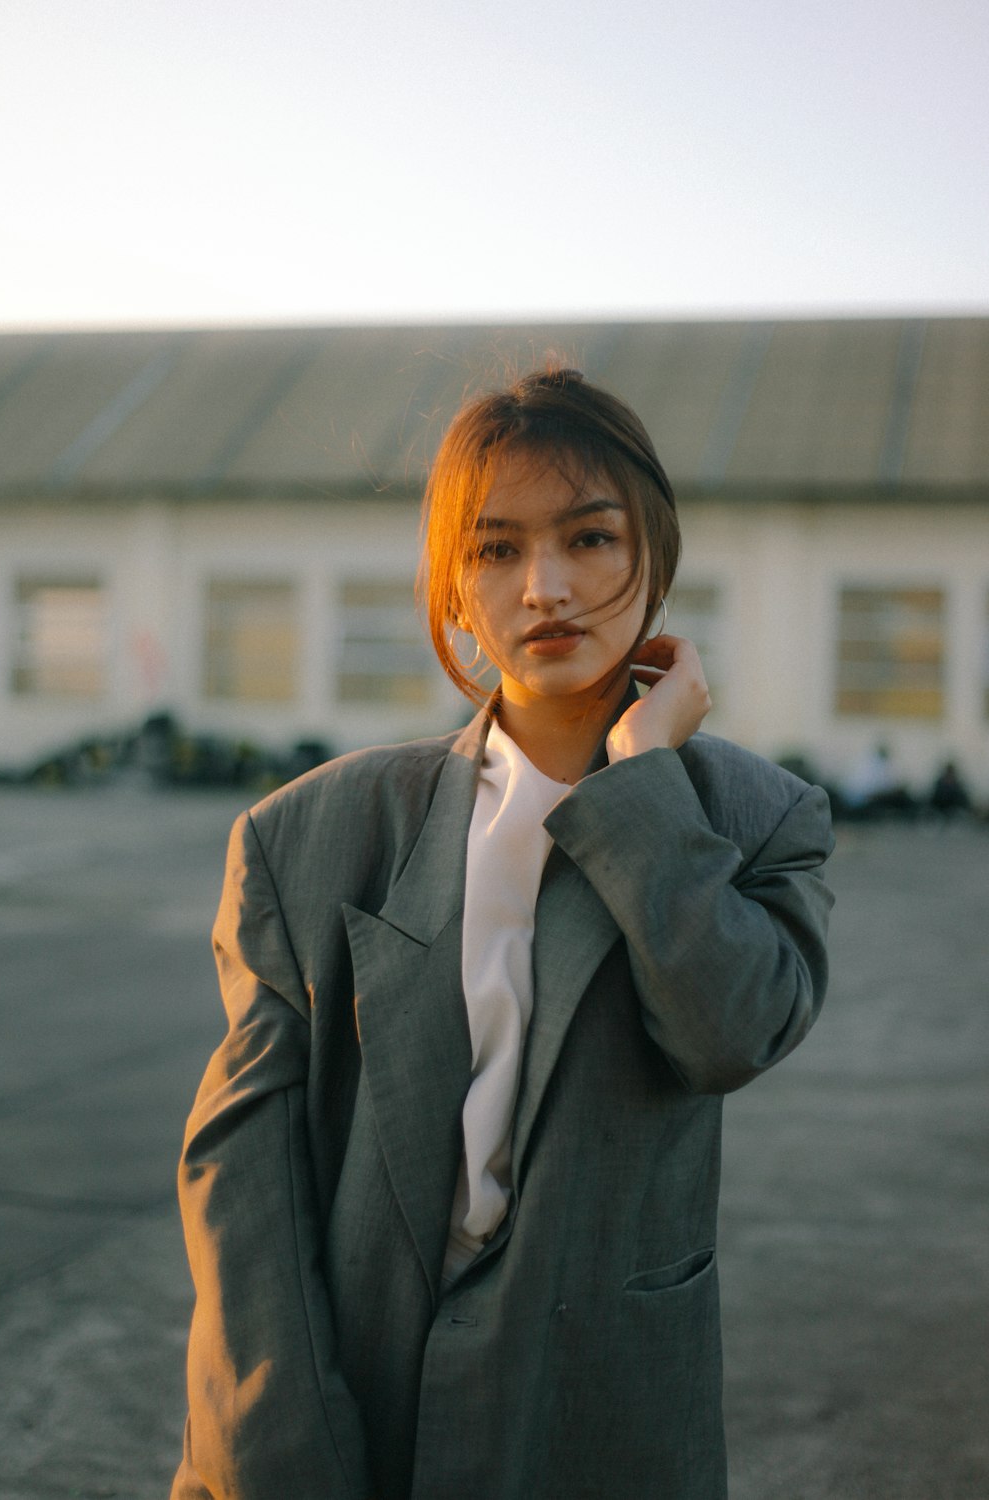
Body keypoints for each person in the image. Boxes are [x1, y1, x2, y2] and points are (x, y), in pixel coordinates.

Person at [171, 368, 834, 1500]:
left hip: (597, 1418)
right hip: (344, 1401)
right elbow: (245, 1183)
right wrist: (289, 1456)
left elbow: (727, 1033)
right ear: (452, 591)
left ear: (654, 556)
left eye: (589, 538)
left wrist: (643, 781)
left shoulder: (757, 818)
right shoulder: (309, 836)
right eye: (494, 551)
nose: (546, 588)